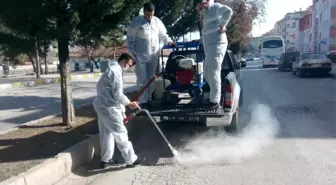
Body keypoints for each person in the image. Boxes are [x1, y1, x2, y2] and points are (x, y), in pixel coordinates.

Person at [92, 52, 145, 169]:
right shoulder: (116, 71)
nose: (129, 67)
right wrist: (128, 103)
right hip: (109, 107)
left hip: (102, 105)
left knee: (106, 133)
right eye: (130, 64)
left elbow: (107, 91)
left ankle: (106, 160)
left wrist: (123, 109)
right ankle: (131, 160)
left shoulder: (111, 70)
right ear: (125, 61)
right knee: (121, 133)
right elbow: (117, 94)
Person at [127, 2, 175, 108]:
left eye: (152, 14)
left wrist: (169, 41)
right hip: (140, 56)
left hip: (154, 55)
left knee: (151, 79)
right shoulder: (137, 21)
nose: (150, 17)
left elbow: (163, 35)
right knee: (142, 80)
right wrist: (131, 53)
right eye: (148, 14)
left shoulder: (157, 21)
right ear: (144, 12)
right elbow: (130, 38)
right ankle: (143, 102)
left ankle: (149, 100)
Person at [196, 0, 233, 108]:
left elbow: (228, 11)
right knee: (207, 73)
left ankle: (215, 101)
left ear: (204, 3)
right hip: (209, 47)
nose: (198, 10)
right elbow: (207, 30)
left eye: (199, 8)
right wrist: (200, 40)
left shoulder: (215, 7)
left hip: (217, 44)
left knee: (213, 72)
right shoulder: (205, 15)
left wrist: (222, 25)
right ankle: (215, 96)